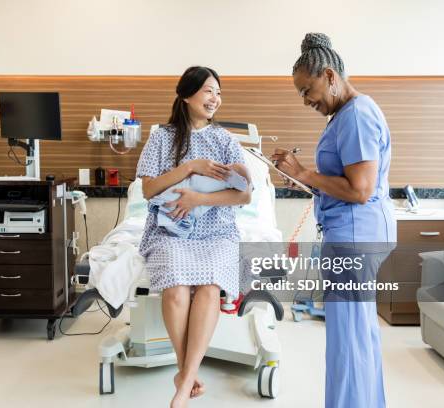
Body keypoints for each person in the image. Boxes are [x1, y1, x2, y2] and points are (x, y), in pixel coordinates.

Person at [271, 33, 396, 408]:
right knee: (359, 336)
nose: (306, 100)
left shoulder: (356, 115)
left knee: (348, 341)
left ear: (329, 75)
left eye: (307, 90)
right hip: (355, 232)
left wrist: (305, 174)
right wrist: (301, 176)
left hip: (355, 237)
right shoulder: (347, 114)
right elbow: (345, 184)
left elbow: (360, 190)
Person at [136, 66, 251, 408]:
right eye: (208, 91)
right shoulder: (161, 137)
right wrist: (190, 167)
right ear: (186, 95)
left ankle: (183, 382)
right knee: (175, 289)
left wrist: (199, 198)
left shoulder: (226, 140)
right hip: (170, 230)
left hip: (217, 229)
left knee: (210, 286)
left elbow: (244, 196)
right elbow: (148, 189)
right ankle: (187, 370)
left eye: (218, 92)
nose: (215, 98)